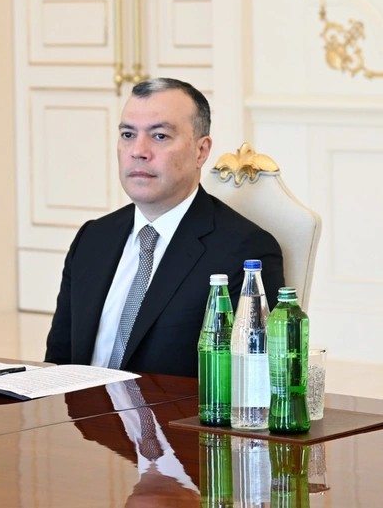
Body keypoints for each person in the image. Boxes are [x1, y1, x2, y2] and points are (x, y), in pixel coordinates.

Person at [45, 78, 284, 377]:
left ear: (201, 151)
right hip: (79, 406)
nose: (138, 151)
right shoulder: (93, 238)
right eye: (128, 134)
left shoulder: (244, 251)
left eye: (159, 136)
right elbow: (56, 364)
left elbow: (248, 379)